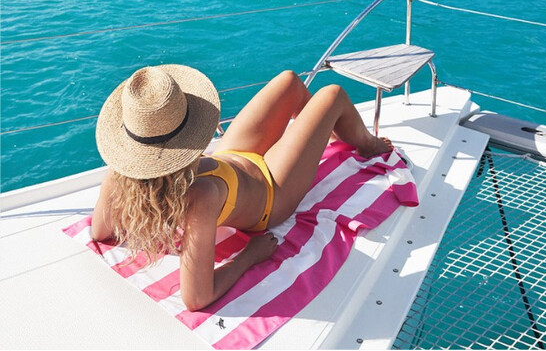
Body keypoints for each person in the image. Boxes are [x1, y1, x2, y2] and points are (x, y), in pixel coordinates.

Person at [92, 65, 394, 311]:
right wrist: (249, 256)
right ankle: (366, 145)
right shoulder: (202, 195)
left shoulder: (122, 171)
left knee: (289, 81)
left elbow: (100, 232)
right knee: (332, 95)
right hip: (272, 193)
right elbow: (196, 298)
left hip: (232, 157)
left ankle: (321, 137)